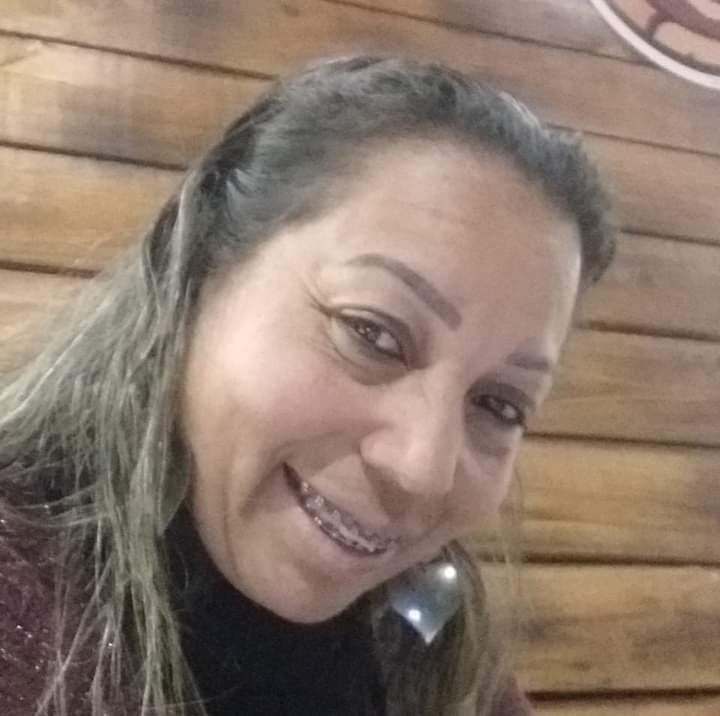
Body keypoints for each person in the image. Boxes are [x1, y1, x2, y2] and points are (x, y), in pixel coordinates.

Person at [0, 55, 615, 716]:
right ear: (197, 267)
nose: (422, 470)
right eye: (372, 333)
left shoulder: (429, 640)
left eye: (498, 404)